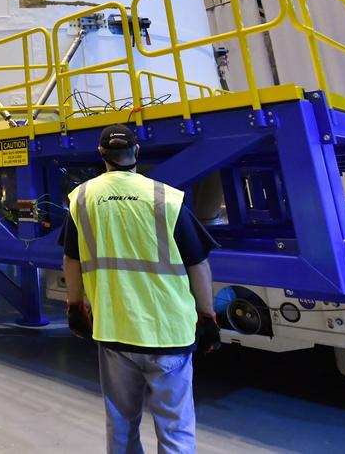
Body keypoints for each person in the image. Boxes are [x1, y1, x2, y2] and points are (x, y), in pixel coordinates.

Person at [61, 124, 220, 454]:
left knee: (120, 424)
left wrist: (75, 307)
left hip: (115, 330)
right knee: (175, 429)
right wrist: (207, 317)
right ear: (137, 153)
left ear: (101, 155)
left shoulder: (83, 199)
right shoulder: (166, 199)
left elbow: (71, 261)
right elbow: (198, 264)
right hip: (169, 334)